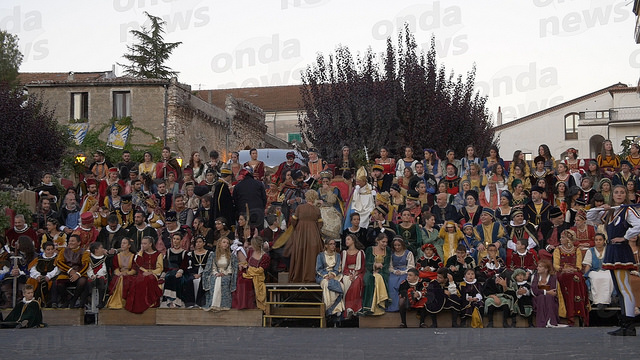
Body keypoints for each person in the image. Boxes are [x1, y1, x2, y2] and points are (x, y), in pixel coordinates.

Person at [586, 184, 640, 335]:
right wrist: (602, 208)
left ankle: (629, 323)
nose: (619, 194)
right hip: (612, 250)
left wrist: (626, 237)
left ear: (626, 195)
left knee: (624, 288)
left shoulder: (628, 210)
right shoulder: (611, 212)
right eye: (616, 192)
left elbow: (638, 224)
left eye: (622, 192)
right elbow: (590, 217)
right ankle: (624, 323)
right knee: (620, 287)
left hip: (621, 250)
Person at [284, 191, 324, 283]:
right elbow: (320, 224)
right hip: (314, 234)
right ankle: (311, 276)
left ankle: (299, 276)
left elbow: (293, 221)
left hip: (300, 234)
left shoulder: (299, 208)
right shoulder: (317, 210)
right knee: (312, 255)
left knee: (300, 253)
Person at [553, 229, 589, 326]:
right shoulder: (558, 250)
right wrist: (563, 269)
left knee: (576, 277)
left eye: (563, 237)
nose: (560, 239)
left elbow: (579, 266)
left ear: (569, 239)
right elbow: (555, 265)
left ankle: (577, 310)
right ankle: (567, 311)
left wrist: (573, 269)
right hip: (562, 272)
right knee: (566, 277)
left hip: (574, 272)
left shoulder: (577, 250)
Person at [126, 236, 163, 314]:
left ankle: (150, 302)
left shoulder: (158, 254)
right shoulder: (141, 254)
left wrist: (151, 272)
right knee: (138, 281)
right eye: (142, 243)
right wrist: (140, 252)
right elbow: (138, 263)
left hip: (153, 273)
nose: (143, 245)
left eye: (145, 243)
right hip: (141, 273)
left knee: (149, 279)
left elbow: (160, 268)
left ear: (150, 244)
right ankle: (138, 305)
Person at [52, 234, 90, 308]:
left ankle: (74, 299)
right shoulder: (64, 250)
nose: (70, 243)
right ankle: (66, 299)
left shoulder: (84, 252)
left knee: (82, 281)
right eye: (69, 241)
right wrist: (70, 270)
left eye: (73, 241)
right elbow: (59, 262)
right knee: (59, 282)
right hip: (66, 273)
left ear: (79, 243)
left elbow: (86, 265)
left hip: (79, 273)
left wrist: (78, 274)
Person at [202, 237, 237, 311]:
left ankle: (223, 305)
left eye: (227, 243)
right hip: (216, 274)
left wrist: (224, 273)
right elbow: (212, 267)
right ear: (220, 243)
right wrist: (216, 273)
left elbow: (231, 268)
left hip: (226, 274)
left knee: (223, 280)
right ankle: (214, 304)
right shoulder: (213, 255)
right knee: (214, 280)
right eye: (224, 242)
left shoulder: (231, 256)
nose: (226, 244)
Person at [359, 233, 391, 315]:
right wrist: (374, 266)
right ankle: (369, 307)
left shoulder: (388, 250)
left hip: (383, 271)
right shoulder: (370, 249)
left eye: (386, 242)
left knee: (378, 277)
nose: (385, 244)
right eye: (383, 242)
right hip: (370, 271)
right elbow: (367, 263)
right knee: (370, 278)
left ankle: (380, 305)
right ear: (377, 241)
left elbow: (387, 265)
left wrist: (379, 270)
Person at [582, 233, 614, 309]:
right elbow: (588, 264)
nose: (598, 242)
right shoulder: (590, 251)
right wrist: (585, 275)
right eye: (596, 240)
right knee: (596, 279)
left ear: (604, 241)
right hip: (594, 271)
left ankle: (606, 301)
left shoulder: (608, 250)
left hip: (607, 270)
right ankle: (597, 301)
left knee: (609, 278)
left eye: (600, 240)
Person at [315, 238, 344, 317]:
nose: (333, 246)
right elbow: (318, 269)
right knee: (327, 284)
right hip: (323, 276)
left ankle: (335, 308)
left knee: (340, 285)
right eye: (331, 244)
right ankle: (330, 308)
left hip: (335, 275)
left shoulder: (337, 255)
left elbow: (338, 267)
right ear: (326, 246)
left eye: (334, 244)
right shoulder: (320, 255)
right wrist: (326, 275)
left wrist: (333, 274)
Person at [106, 237, 136, 309]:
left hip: (129, 274)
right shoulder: (117, 256)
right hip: (119, 274)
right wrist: (119, 273)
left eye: (125, 243)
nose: (122, 245)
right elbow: (115, 268)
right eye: (122, 243)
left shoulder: (133, 256)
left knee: (124, 279)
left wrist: (127, 273)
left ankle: (124, 302)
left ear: (129, 246)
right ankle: (116, 301)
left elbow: (134, 269)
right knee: (120, 278)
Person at [386, 237, 415, 312]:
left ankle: (401, 306)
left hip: (405, 272)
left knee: (402, 283)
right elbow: (390, 266)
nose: (397, 247)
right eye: (395, 245)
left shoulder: (408, 253)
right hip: (394, 272)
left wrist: (403, 272)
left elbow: (411, 266)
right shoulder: (392, 254)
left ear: (402, 245)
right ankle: (392, 306)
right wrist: (394, 271)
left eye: (399, 245)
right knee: (391, 282)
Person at [26, 241, 59, 307]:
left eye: (52, 249)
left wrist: (49, 276)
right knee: (31, 281)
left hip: (52, 277)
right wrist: (37, 276)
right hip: (40, 276)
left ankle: (51, 302)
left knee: (53, 283)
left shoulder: (57, 258)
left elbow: (58, 269)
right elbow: (32, 269)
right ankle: (32, 301)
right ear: (44, 250)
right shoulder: (38, 259)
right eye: (48, 249)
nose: (50, 251)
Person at [341, 234, 365, 318]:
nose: (346, 241)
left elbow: (362, 267)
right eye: (346, 239)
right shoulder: (344, 253)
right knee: (346, 281)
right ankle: (347, 308)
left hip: (358, 272)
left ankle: (354, 307)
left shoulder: (360, 252)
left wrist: (355, 274)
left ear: (353, 241)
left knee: (357, 281)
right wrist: (349, 274)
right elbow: (344, 266)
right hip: (347, 273)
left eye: (348, 239)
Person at [162, 232, 189, 308]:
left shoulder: (184, 252)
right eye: (174, 239)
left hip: (178, 272)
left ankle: (176, 301)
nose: (175, 241)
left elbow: (184, 265)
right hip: (169, 271)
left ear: (180, 241)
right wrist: (163, 273)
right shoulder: (168, 251)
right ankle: (169, 300)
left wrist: (180, 271)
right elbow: (166, 264)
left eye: (177, 239)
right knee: (168, 277)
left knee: (176, 278)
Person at [183, 235, 211, 308]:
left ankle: (201, 302)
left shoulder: (209, 254)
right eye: (196, 242)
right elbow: (189, 266)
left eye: (200, 242)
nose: (198, 244)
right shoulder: (190, 254)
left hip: (205, 273)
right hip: (193, 273)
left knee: (203, 281)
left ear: (204, 243)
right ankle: (190, 303)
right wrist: (194, 274)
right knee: (189, 280)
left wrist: (201, 274)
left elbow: (210, 266)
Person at [531, 259, 561, 328]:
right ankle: (542, 322)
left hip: (550, 299)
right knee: (541, 297)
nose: (537, 268)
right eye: (538, 266)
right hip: (537, 299)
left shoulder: (553, 278)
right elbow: (534, 291)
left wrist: (540, 288)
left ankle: (550, 320)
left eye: (540, 267)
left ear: (546, 269)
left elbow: (553, 291)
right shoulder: (535, 277)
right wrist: (546, 291)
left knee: (548, 297)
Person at [243, 236, 270, 311]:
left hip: (259, 275)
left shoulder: (265, 256)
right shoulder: (251, 251)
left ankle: (256, 305)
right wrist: (245, 266)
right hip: (249, 273)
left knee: (250, 283)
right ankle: (245, 304)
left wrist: (250, 269)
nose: (251, 246)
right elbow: (247, 262)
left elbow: (260, 270)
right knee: (241, 280)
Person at [86, 242, 109, 308]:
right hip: (92, 276)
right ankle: (88, 300)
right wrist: (92, 275)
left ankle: (101, 301)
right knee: (88, 282)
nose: (103, 249)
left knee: (101, 281)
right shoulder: (89, 258)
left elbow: (104, 268)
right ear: (96, 250)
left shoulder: (105, 258)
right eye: (101, 248)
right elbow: (89, 268)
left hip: (101, 276)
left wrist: (98, 275)